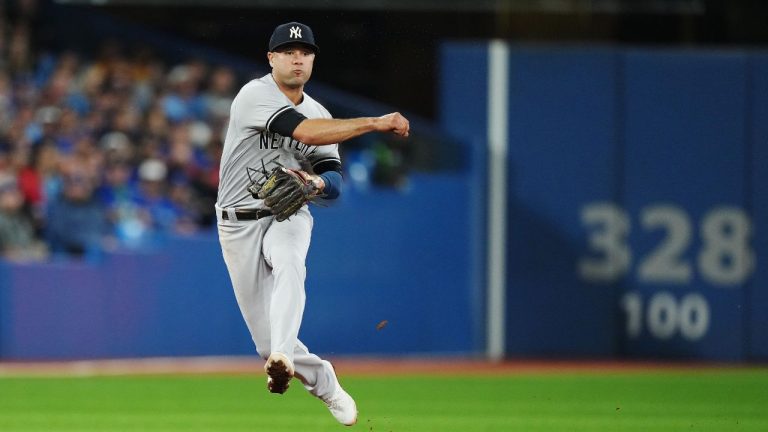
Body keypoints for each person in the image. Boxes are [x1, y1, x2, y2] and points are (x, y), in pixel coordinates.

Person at [215, 21, 409, 426]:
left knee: (290, 261)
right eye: (287, 51)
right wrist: (374, 123)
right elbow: (304, 131)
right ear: (272, 59)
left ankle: (284, 357)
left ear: (313, 59)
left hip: (287, 213)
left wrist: (317, 181)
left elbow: (334, 181)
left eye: (304, 52)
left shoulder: (321, 112)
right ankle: (320, 378)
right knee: (264, 344)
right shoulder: (255, 95)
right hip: (237, 223)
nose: (297, 57)